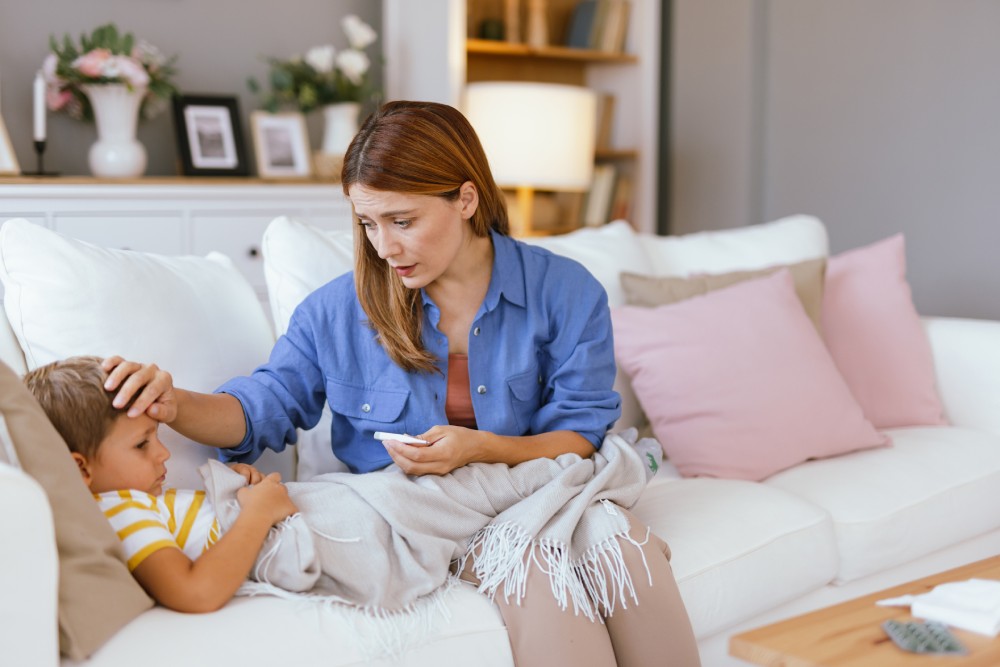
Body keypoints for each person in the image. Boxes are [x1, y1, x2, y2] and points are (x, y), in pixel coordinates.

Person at [104, 100, 701, 667]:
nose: (384, 247)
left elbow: (580, 435)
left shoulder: (566, 293)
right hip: (420, 521)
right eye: (367, 223)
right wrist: (172, 402)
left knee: (623, 548)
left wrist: (483, 449)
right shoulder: (336, 313)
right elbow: (260, 409)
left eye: (403, 221)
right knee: (536, 566)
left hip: (535, 491)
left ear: (466, 199)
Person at [23, 356, 299, 613]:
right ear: (80, 468)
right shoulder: (120, 513)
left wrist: (235, 487)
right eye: (142, 444)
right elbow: (196, 592)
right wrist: (258, 513)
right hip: (293, 535)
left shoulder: (137, 501)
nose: (164, 453)